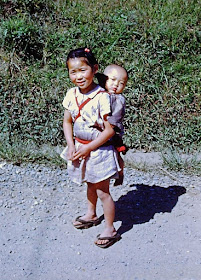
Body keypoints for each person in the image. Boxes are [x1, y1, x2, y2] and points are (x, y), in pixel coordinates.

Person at [62, 47, 121, 248]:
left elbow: (108, 131)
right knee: (89, 183)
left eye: (83, 70)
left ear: (95, 69)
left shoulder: (102, 97)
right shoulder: (71, 94)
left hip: (99, 151)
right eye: (73, 71)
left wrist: (89, 149)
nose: (78, 76)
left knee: (103, 190)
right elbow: (67, 122)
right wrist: (71, 146)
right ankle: (91, 214)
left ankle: (110, 228)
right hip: (81, 148)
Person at [97, 64, 128, 186]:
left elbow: (116, 117)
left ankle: (120, 172)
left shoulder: (118, 99)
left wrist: (111, 129)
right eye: (113, 80)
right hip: (99, 130)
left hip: (112, 132)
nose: (116, 85)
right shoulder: (99, 93)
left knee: (116, 154)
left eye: (121, 83)